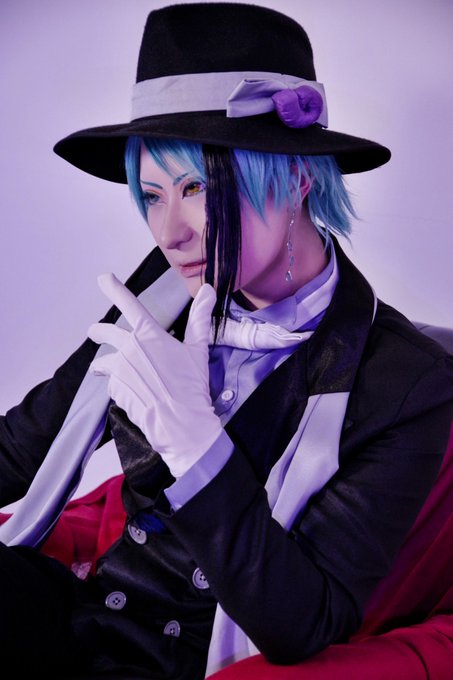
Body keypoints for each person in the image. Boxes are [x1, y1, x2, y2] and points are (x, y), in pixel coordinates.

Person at [0, 2, 452, 679]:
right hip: (84, 619)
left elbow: (303, 621)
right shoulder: (162, 292)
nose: (169, 232)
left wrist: (197, 447)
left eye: (195, 188)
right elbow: (26, 443)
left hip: (190, 661)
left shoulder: (406, 381)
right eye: (152, 195)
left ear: (297, 178)